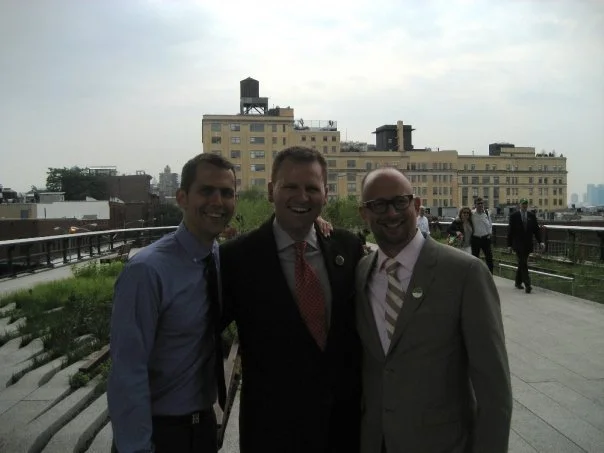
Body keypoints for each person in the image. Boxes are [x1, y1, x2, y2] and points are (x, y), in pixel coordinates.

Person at [355, 167, 512, 453]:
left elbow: (494, 391)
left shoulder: (465, 274)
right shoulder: (361, 273)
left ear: (416, 206)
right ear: (364, 213)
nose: (390, 213)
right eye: (378, 205)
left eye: (400, 201)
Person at [220, 146, 364, 453]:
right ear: (272, 191)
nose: (302, 197)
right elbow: (203, 332)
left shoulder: (348, 249)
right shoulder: (236, 259)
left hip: (343, 428)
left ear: (326, 194)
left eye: (312, 188)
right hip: (272, 431)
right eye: (291, 187)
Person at [107, 154, 235, 453]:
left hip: (202, 427)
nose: (218, 201)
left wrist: (313, 221)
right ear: (182, 197)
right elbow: (127, 369)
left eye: (227, 193)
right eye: (206, 191)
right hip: (159, 433)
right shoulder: (147, 271)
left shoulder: (218, 259)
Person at [507, 199, 545, 294]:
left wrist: (541, 242)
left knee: (521, 263)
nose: (524, 206)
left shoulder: (531, 216)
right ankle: (528, 285)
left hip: (528, 244)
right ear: (519, 205)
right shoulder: (514, 216)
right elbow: (510, 232)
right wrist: (509, 245)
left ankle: (517, 282)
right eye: (523, 204)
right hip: (518, 244)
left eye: (526, 204)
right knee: (523, 263)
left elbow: (536, 230)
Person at [471, 197, 494, 273]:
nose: (480, 205)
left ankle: (490, 276)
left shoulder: (486, 213)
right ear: (475, 205)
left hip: (485, 239)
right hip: (475, 239)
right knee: (475, 259)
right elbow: (461, 217)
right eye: (478, 203)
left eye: (482, 203)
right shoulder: (472, 213)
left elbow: (490, 224)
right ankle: (475, 276)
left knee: (489, 258)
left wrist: (490, 233)